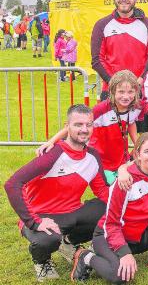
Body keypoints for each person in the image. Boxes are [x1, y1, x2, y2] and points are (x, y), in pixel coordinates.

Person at [71, 132, 148, 283]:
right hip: (109, 237)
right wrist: (124, 253)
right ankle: (86, 256)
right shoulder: (125, 181)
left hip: (141, 234)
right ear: (137, 154)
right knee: (120, 277)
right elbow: (111, 224)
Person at [5, 105, 108, 282]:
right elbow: (12, 184)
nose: (84, 129)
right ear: (67, 126)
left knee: (109, 208)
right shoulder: (52, 154)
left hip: (71, 213)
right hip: (41, 216)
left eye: (89, 125)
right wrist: (33, 222)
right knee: (47, 240)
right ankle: (42, 261)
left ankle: (68, 242)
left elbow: (103, 191)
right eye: (78, 124)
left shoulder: (92, 156)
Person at [91, 0, 148, 96]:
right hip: (111, 89)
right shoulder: (101, 25)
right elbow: (97, 59)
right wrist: (114, 83)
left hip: (140, 89)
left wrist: (140, 81)